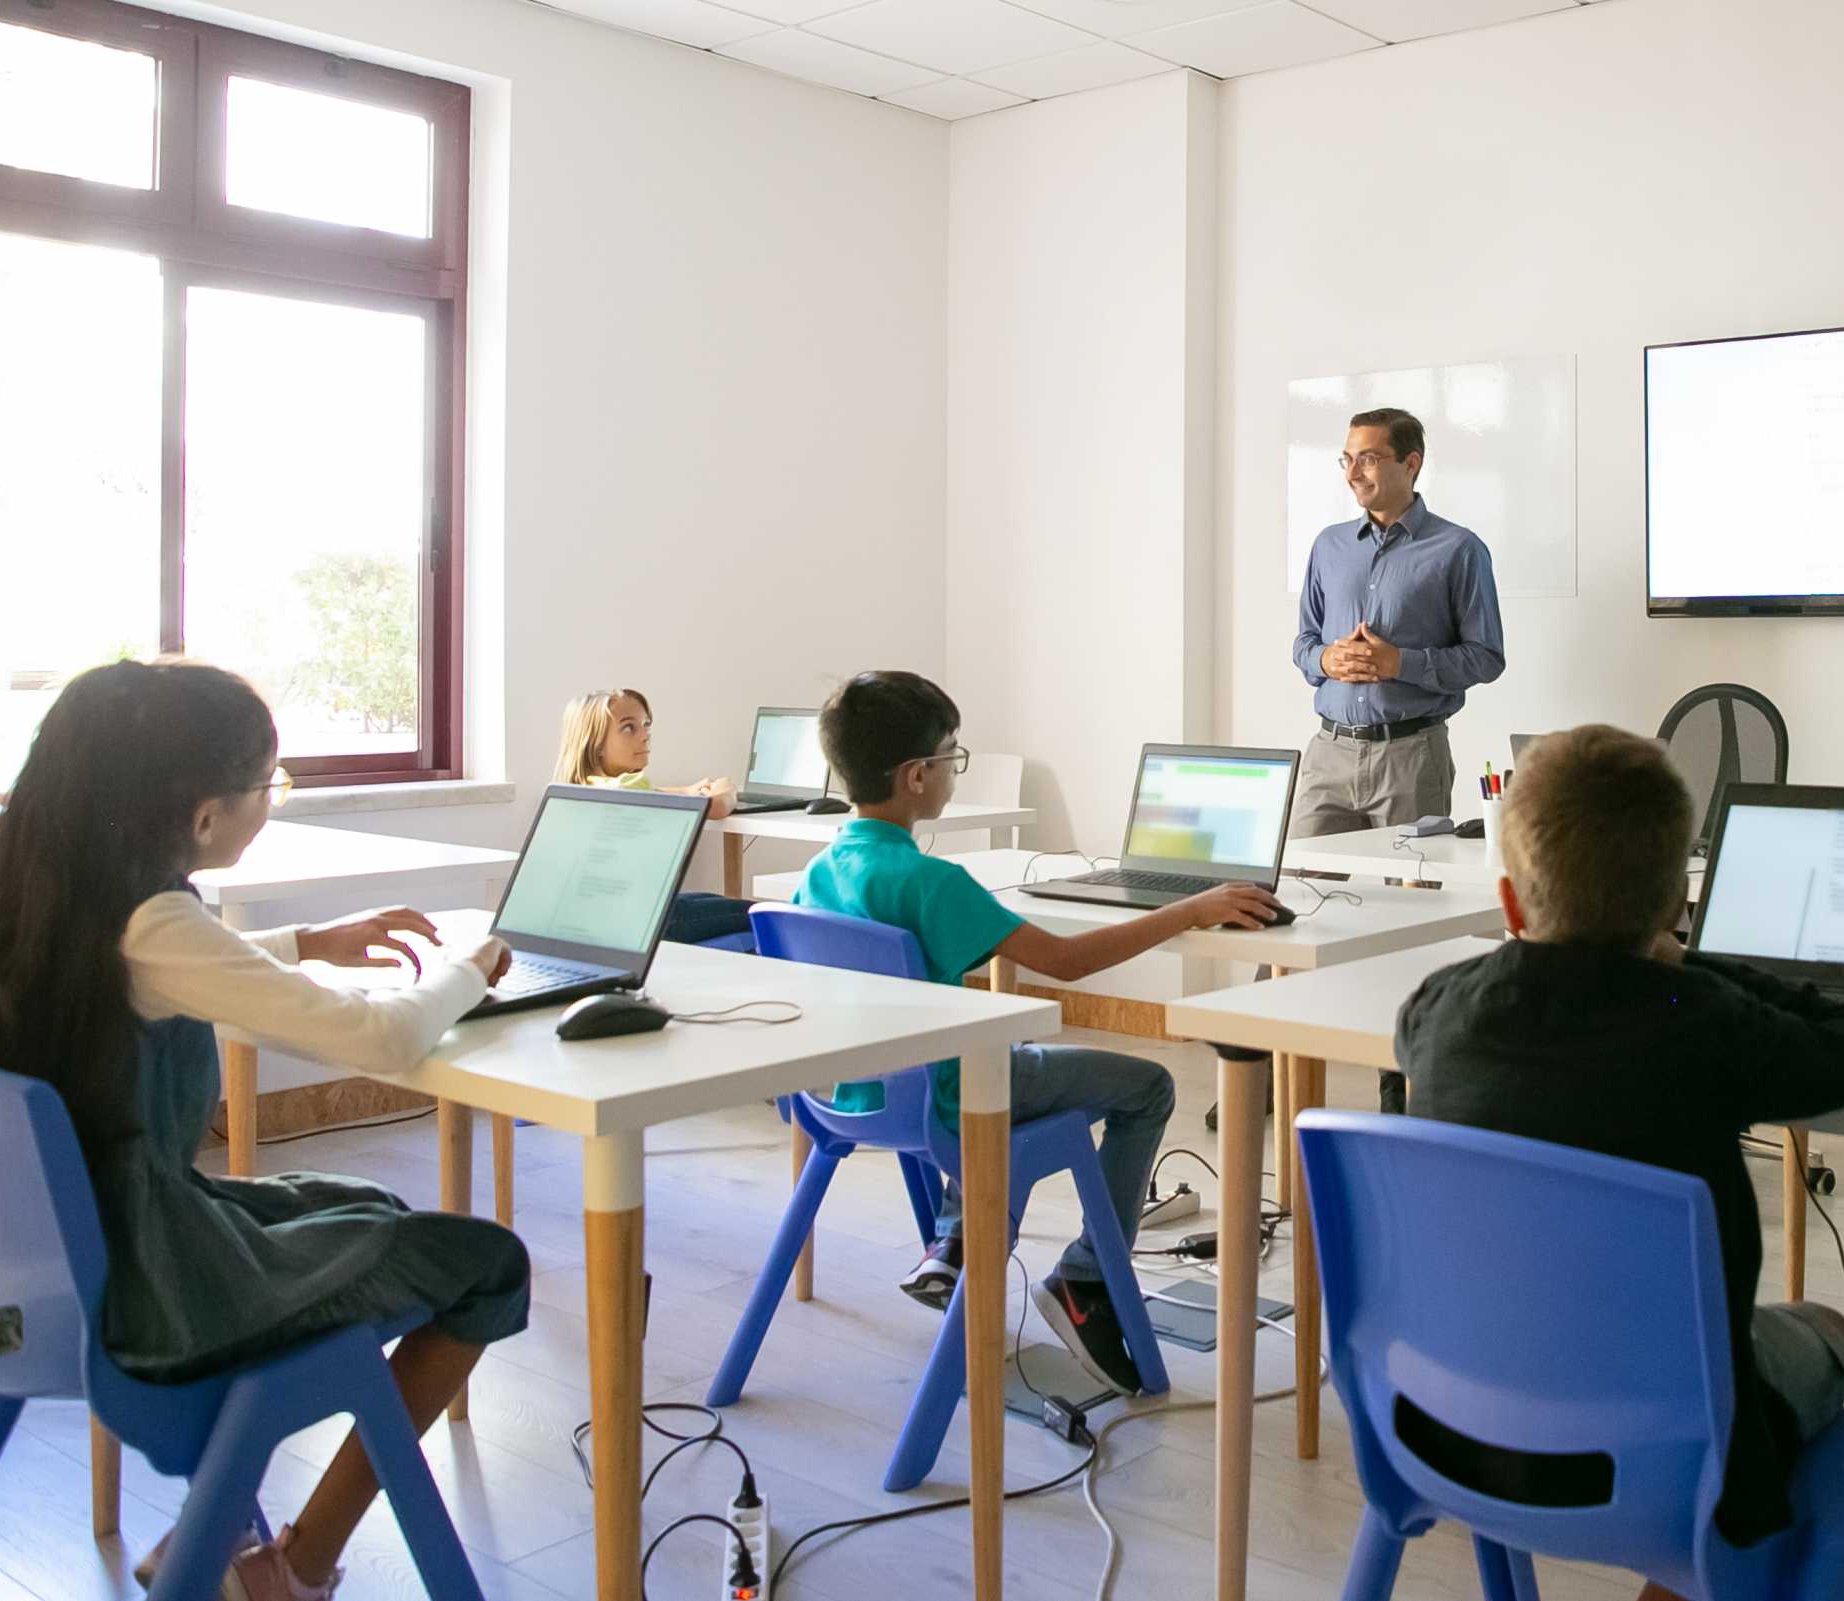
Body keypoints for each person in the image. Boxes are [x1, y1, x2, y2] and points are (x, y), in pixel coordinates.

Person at [0, 660, 530, 1601]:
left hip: (6, 1297)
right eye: (265, 787)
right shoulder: (153, 919)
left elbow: (160, 968)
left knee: (358, 1201)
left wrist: (306, 943)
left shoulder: (21, 889)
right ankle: (293, 1564)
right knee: (486, 1262)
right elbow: (386, 1035)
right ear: (203, 817)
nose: (267, 803)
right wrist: (475, 966)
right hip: (144, 1294)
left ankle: (222, 1527)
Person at [1393, 724, 1844, 1583]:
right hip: (1672, 1459)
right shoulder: (1703, 1023)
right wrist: (1696, 965)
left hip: (1453, 1428)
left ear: (1512, 904)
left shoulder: (1436, 1011)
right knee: (1823, 1329)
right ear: (1675, 903)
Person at [801, 671, 1280, 1394]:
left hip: (856, 1097)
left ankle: (957, 1238)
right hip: (951, 1099)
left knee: (995, 1046)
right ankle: (1085, 1280)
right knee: (1147, 1086)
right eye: (951, 757)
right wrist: (1193, 908)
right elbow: (1068, 961)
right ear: (916, 776)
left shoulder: (819, 871)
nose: (954, 769)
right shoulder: (931, 882)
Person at [1292, 405, 1506, 1112]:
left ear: (1411, 464)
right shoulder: (1328, 546)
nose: (1355, 471)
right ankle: (1275, 1064)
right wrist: (1327, 657)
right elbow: (1303, 648)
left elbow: (1485, 657)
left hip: (1411, 754)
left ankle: (1398, 1086)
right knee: (1291, 904)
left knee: (1402, 926)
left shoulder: (1458, 549)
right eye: (1347, 459)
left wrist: (1399, 662)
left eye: (1370, 458)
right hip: (1328, 754)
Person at [555, 687, 752, 945]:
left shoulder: (584, 788)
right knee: (759, 913)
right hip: (653, 922)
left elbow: (656, 792)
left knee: (714, 900)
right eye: (629, 728)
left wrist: (686, 790)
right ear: (595, 744)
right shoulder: (629, 789)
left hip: (610, 921)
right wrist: (727, 787)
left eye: (646, 725)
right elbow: (716, 807)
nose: (645, 737)